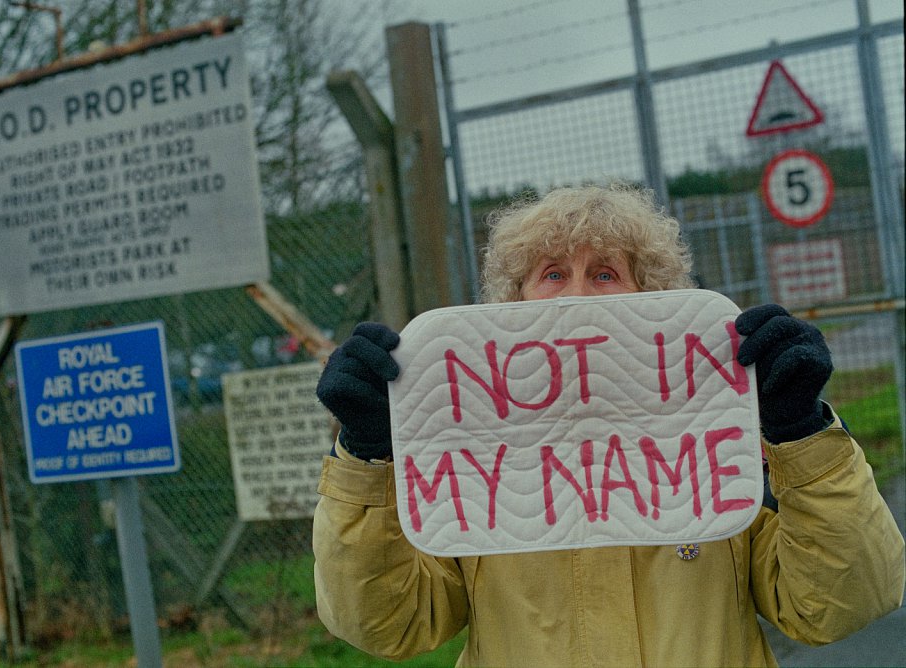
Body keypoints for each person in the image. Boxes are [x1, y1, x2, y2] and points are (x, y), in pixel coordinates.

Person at [312, 184, 905, 667]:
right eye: (551, 274)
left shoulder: (723, 437)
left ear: (652, 297)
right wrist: (367, 456)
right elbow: (387, 625)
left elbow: (841, 605)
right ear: (511, 304)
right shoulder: (466, 450)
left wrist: (800, 434)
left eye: (603, 274)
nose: (577, 296)